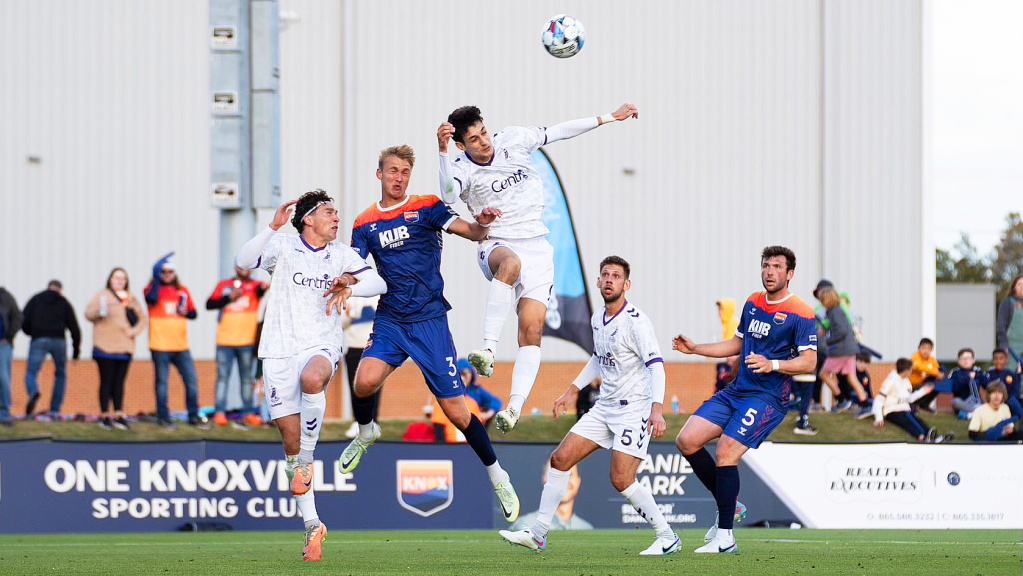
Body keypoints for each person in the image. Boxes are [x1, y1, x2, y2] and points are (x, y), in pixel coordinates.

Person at [334, 144, 520, 525]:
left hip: (430, 322)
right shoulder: (365, 222)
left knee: (456, 411)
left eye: (404, 171)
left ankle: (498, 476)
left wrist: (482, 221)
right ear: (379, 174)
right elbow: (358, 268)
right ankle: (367, 433)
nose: (398, 177)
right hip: (390, 320)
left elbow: (470, 232)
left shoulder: (427, 206)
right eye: (392, 171)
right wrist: (347, 280)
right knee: (363, 382)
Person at [437, 103, 639, 433]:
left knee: (532, 331)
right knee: (511, 265)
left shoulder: (513, 139)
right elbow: (447, 195)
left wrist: (607, 118)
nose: (484, 142)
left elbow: (559, 130)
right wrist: (442, 150)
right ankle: (488, 348)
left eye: (484, 132)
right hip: (497, 243)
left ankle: (513, 408)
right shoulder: (458, 165)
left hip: (538, 248)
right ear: (461, 145)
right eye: (473, 139)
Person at [235, 189, 387, 562]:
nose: (337, 218)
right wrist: (271, 227)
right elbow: (243, 260)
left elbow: (379, 283)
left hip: (320, 343)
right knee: (288, 441)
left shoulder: (341, 255)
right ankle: (313, 525)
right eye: (329, 212)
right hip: (277, 351)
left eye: (337, 212)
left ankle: (306, 460)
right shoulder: (283, 247)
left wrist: (349, 282)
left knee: (313, 379)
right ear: (308, 219)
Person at [500, 256, 680, 556]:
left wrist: (657, 409)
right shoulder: (598, 319)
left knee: (621, 479)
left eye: (616, 276)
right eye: (605, 275)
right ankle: (540, 533)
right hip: (604, 407)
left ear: (627, 284)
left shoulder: (637, 321)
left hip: (634, 409)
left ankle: (667, 535)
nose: (609, 280)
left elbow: (656, 366)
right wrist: (571, 391)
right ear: (598, 282)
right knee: (559, 460)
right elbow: (598, 358)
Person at [672, 246, 817, 554]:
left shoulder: (802, 312)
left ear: (790, 274)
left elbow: (809, 362)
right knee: (686, 440)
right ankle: (731, 505)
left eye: (777, 266)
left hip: (768, 398)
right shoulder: (753, 301)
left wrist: (773, 364)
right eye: (766, 265)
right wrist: (695, 348)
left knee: (725, 451)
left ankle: (725, 537)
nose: (769, 271)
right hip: (737, 391)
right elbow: (737, 343)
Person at [144, 255, 205, 429]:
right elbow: (151, 299)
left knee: (191, 380)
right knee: (162, 383)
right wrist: (156, 277)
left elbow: (194, 314)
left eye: (170, 271)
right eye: (163, 272)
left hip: (181, 345)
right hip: (160, 345)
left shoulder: (183, 290)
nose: (167, 274)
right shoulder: (150, 289)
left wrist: (186, 312)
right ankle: (163, 417)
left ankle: (193, 416)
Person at [84, 268, 147, 430]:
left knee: (119, 382)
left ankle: (119, 414)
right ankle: (105, 415)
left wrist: (134, 331)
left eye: (123, 278)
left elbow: (142, 319)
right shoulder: (102, 295)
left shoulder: (131, 298)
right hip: (104, 347)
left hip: (124, 347)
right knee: (106, 381)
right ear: (110, 279)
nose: (120, 281)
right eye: (116, 278)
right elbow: (88, 314)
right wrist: (99, 311)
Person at [206, 266, 268, 428]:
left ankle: (248, 412)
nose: (245, 270)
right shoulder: (224, 285)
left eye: (248, 267)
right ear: (235, 267)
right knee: (223, 377)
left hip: (246, 341)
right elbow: (209, 304)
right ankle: (220, 411)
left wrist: (264, 288)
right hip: (224, 341)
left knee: (246, 379)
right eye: (242, 266)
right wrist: (228, 298)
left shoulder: (255, 285)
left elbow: (261, 291)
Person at [22, 280, 81, 418]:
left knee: (31, 372)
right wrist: (76, 352)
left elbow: (23, 319)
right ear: (60, 290)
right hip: (59, 340)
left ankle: (33, 391)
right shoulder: (64, 302)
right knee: (60, 374)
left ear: (48, 287)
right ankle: (54, 410)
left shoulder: (36, 299)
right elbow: (74, 328)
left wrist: (32, 332)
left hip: (39, 339)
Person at [815, 283, 868, 416]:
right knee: (852, 377)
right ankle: (866, 404)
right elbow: (840, 328)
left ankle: (841, 400)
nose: (821, 303)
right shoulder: (838, 310)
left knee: (823, 374)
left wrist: (828, 341)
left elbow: (842, 331)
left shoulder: (835, 311)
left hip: (840, 350)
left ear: (827, 299)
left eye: (822, 300)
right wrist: (826, 329)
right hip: (850, 349)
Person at [872, 358, 952, 442]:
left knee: (916, 419)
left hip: (904, 408)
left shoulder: (906, 382)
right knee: (908, 419)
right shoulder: (890, 381)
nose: (911, 372)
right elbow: (879, 399)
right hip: (891, 410)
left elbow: (909, 399)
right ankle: (923, 437)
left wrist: (923, 391)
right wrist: (879, 417)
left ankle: (934, 437)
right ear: (906, 370)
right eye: (911, 370)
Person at [510, 457, 593, 532]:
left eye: (569, 474)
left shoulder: (587, 529)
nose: (563, 480)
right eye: (555, 474)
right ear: (544, 478)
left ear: (578, 481)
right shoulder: (524, 526)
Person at [342, 296, 379, 438]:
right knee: (354, 386)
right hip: (353, 347)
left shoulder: (378, 296)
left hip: (373, 347)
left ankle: (374, 421)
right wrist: (346, 314)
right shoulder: (350, 296)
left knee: (373, 385)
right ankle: (356, 421)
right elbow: (342, 324)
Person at [0, 286, 23, 426]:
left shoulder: (5, 297)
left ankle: (4, 413)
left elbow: (18, 317)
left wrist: (8, 337)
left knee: (3, 377)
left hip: (3, 344)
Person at [945, 348, 989, 419]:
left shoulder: (978, 371)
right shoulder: (955, 372)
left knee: (987, 404)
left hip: (976, 403)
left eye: (968, 358)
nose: (966, 360)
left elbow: (987, 384)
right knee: (955, 402)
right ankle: (980, 412)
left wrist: (976, 376)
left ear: (973, 360)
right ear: (958, 361)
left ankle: (969, 415)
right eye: (963, 358)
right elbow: (955, 388)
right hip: (962, 402)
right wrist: (967, 378)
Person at [457, 358, 502, 426]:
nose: (464, 377)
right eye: (461, 373)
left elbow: (496, 401)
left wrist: (487, 415)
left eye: (467, 373)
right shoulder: (452, 391)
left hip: (473, 425)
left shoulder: (476, 390)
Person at [908, 337, 944, 412]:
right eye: (924, 348)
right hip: (911, 387)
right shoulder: (915, 356)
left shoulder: (932, 360)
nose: (926, 351)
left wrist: (940, 375)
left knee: (938, 385)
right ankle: (913, 404)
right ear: (919, 348)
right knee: (930, 385)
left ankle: (924, 405)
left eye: (929, 349)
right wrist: (935, 372)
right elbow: (917, 366)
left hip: (923, 384)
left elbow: (937, 371)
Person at [996, 276, 1023, 372]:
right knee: (1010, 374)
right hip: (1011, 347)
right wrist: (1004, 345)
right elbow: (1001, 325)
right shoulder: (1007, 302)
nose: (1022, 287)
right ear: (1014, 287)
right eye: (1019, 284)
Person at [986, 348, 1022, 417]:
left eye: (1001, 358)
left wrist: (1005, 399)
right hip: (994, 402)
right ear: (993, 361)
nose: (998, 361)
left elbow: (1016, 391)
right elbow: (987, 389)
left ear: (1006, 360)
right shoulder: (989, 374)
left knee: (1013, 400)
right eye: (996, 359)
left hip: (1008, 402)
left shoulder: (1011, 374)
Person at [853, 351, 875, 420]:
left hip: (864, 397)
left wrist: (872, 399)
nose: (862, 365)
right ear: (856, 361)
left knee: (873, 402)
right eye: (860, 362)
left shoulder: (866, 375)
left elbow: (868, 388)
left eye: (865, 363)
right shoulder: (852, 373)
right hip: (853, 395)